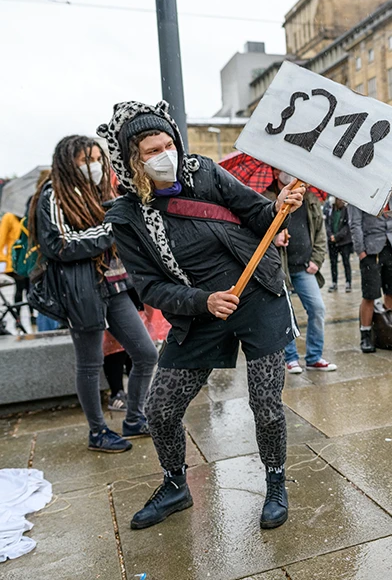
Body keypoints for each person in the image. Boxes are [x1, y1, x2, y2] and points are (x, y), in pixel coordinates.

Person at [99, 101, 303, 530]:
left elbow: (258, 214)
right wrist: (203, 301)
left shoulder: (206, 172)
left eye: (167, 143)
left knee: (266, 406)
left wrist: (279, 204)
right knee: (160, 409)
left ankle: (275, 481)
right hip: (200, 312)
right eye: (151, 151)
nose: (164, 155)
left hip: (259, 297)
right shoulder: (127, 216)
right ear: (130, 160)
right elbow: (151, 286)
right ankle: (176, 485)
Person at [29, 135, 158, 453]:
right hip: (81, 290)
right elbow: (59, 244)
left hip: (115, 285)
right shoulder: (53, 195)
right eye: (86, 160)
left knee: (145, 354)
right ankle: (98, 432)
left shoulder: (103, 191)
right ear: (67, 162)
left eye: (98, 158)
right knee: (89, 363)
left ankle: (134, 418)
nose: (95, 165)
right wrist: (111, 228)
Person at [274, 178, 336, 374]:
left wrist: (316, 260)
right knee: (285, 314)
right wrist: (274, 238)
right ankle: (290, 358)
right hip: (280, 269)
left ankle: (314, 357)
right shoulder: (268, 198)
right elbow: (255, 233)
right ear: (276, 172)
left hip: (304, 268)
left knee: (317, 309)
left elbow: (320, 233)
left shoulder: (310, 199)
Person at [349, 183, 392, 352]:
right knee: (370, 295)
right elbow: (355, 223)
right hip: (371, 249)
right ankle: (365, 335)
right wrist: (361, 250)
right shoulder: (358, 189)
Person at [326, 196, 353, 293]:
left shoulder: (346, 210)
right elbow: (327, 224)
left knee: (346, 262)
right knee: (333, 263)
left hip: (344, 241)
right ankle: (334, 282)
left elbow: (347, 226)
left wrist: (337, 237)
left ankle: (348, 282)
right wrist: (330, 236)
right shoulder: (330, 210)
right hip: (332, 242)